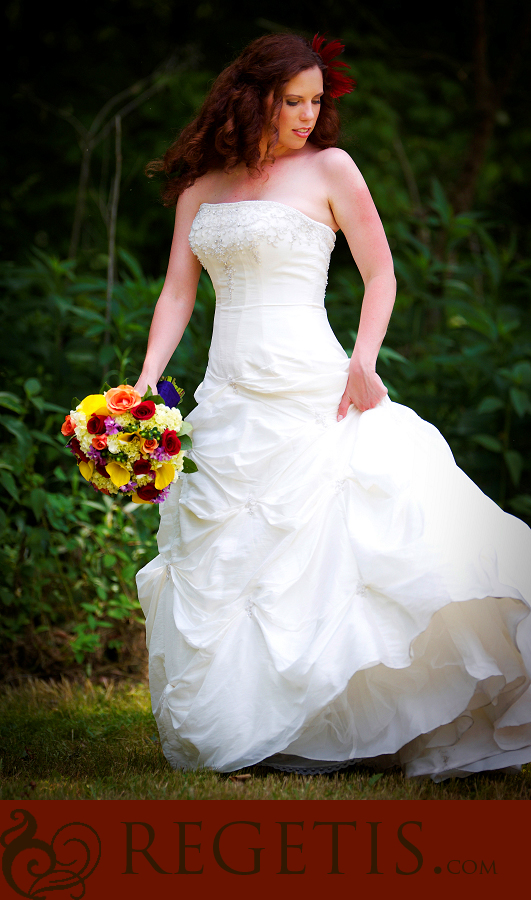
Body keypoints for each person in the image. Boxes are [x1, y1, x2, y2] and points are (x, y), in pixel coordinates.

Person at [135, 33, 531, 780]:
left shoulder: (330, 170)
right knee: (234, 565)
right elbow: (178, 292)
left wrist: (363, 360)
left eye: (317, 102)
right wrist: (145, 382)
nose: (308, 116)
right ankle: (266, 722)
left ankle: (382, 719)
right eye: (294, 101)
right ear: (250, 98)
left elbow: (379, 273)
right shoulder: (202, 187)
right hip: (229, 396)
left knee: (345, 554)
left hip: (315, 386)